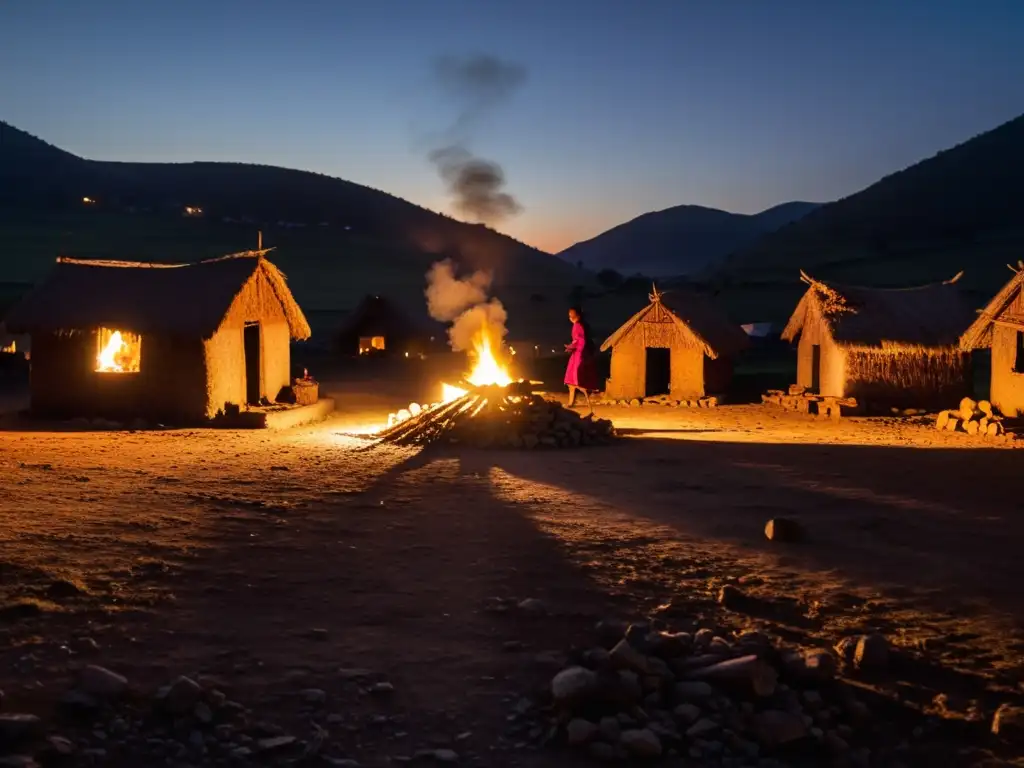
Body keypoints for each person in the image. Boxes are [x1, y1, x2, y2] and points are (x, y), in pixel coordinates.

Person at [564, 305, 599, 412]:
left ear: (577, 315)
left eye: (572, 315)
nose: (570, 317)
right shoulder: (582, 325)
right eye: (569, 315)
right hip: (580, 354)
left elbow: (580, 340)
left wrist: (571, 347)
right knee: (572, 381)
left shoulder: (578, 325)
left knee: (577, 380)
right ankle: (571, 402)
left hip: (579, 355)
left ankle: (586, 402)